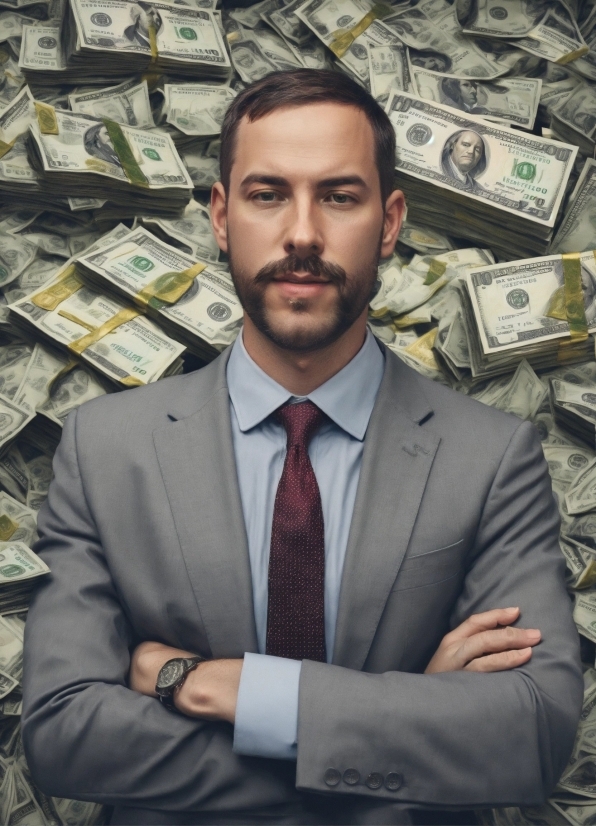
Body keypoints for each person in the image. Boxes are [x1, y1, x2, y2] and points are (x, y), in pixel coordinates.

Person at [21, 69, 582, 826]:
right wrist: (403, 723)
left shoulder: (493, 459)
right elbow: (64, 735)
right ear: (221, 217)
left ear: (389, 222)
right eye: (267, 194)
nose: (303, 235)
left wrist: (204, 685)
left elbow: (532, 736)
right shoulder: (106, 449)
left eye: (339, 196)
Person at [441, 128, 488, 193]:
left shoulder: (477, 188)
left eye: (477, 150)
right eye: (465, 145)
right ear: (452, 145)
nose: (471, 151)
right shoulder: (439, 168)